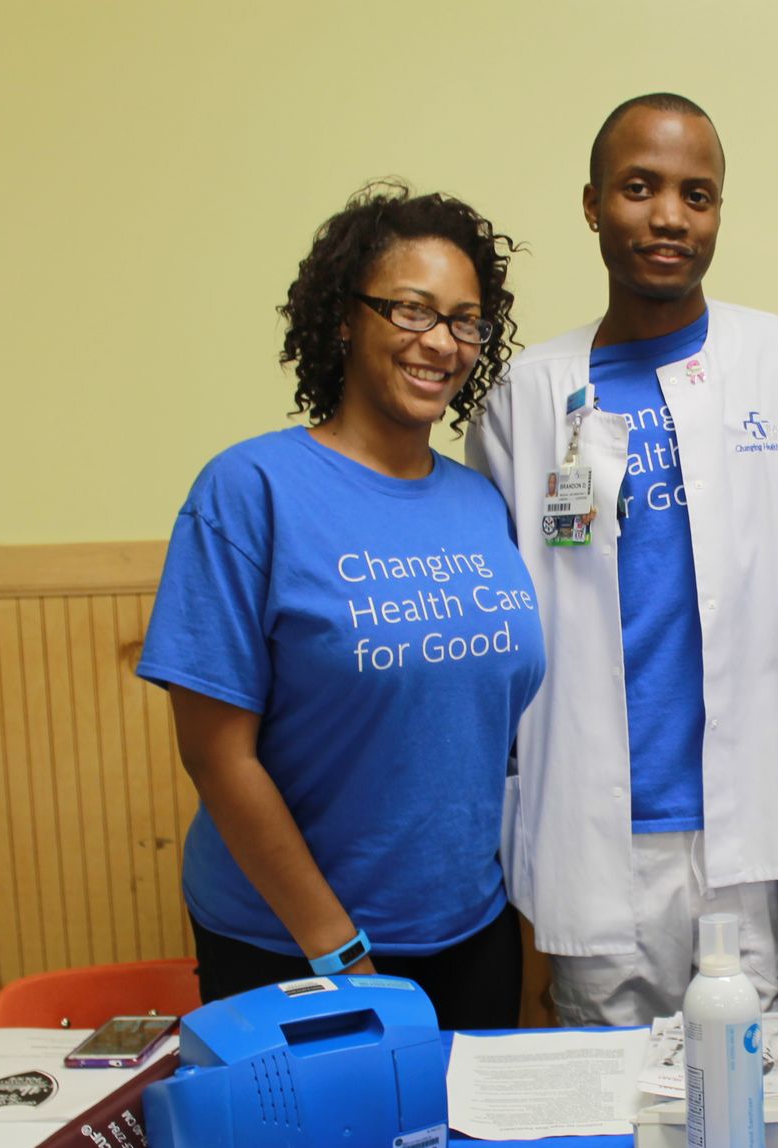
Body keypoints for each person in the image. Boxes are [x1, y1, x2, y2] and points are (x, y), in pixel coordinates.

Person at [467, 93, 778, 1026]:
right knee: (608, 1106)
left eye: (698, 193)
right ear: (594, 203)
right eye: (640, 188)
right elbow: (506, 609)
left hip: (749, 824)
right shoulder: (527, 395)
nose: (670, 216)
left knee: (754, 1100)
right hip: (593, 830)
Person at [137, 182, 545, 1027]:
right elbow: (218, 757)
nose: (442, 342)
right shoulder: (249, 490)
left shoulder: (480, 503)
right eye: (412, 311)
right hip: (295, 948)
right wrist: (340, 950)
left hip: (471, 930)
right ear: (341, 320)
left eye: (466, 320)